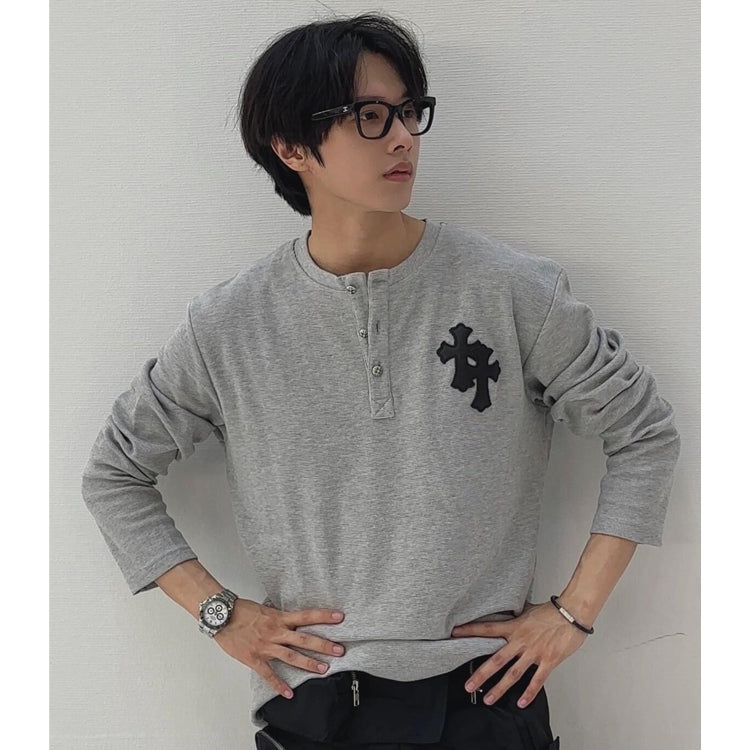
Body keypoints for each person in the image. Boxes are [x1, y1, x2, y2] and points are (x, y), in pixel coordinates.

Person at [81, 12, 681, 750]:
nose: (403, 138)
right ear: (289, 146)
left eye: (408, 111)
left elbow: (644, 432)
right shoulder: (229, 326)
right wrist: (220, 613)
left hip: (486, 697)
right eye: (369, 116)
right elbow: (114, 474)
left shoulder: (513, 291)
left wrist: (573, 613)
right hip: (318, 705)